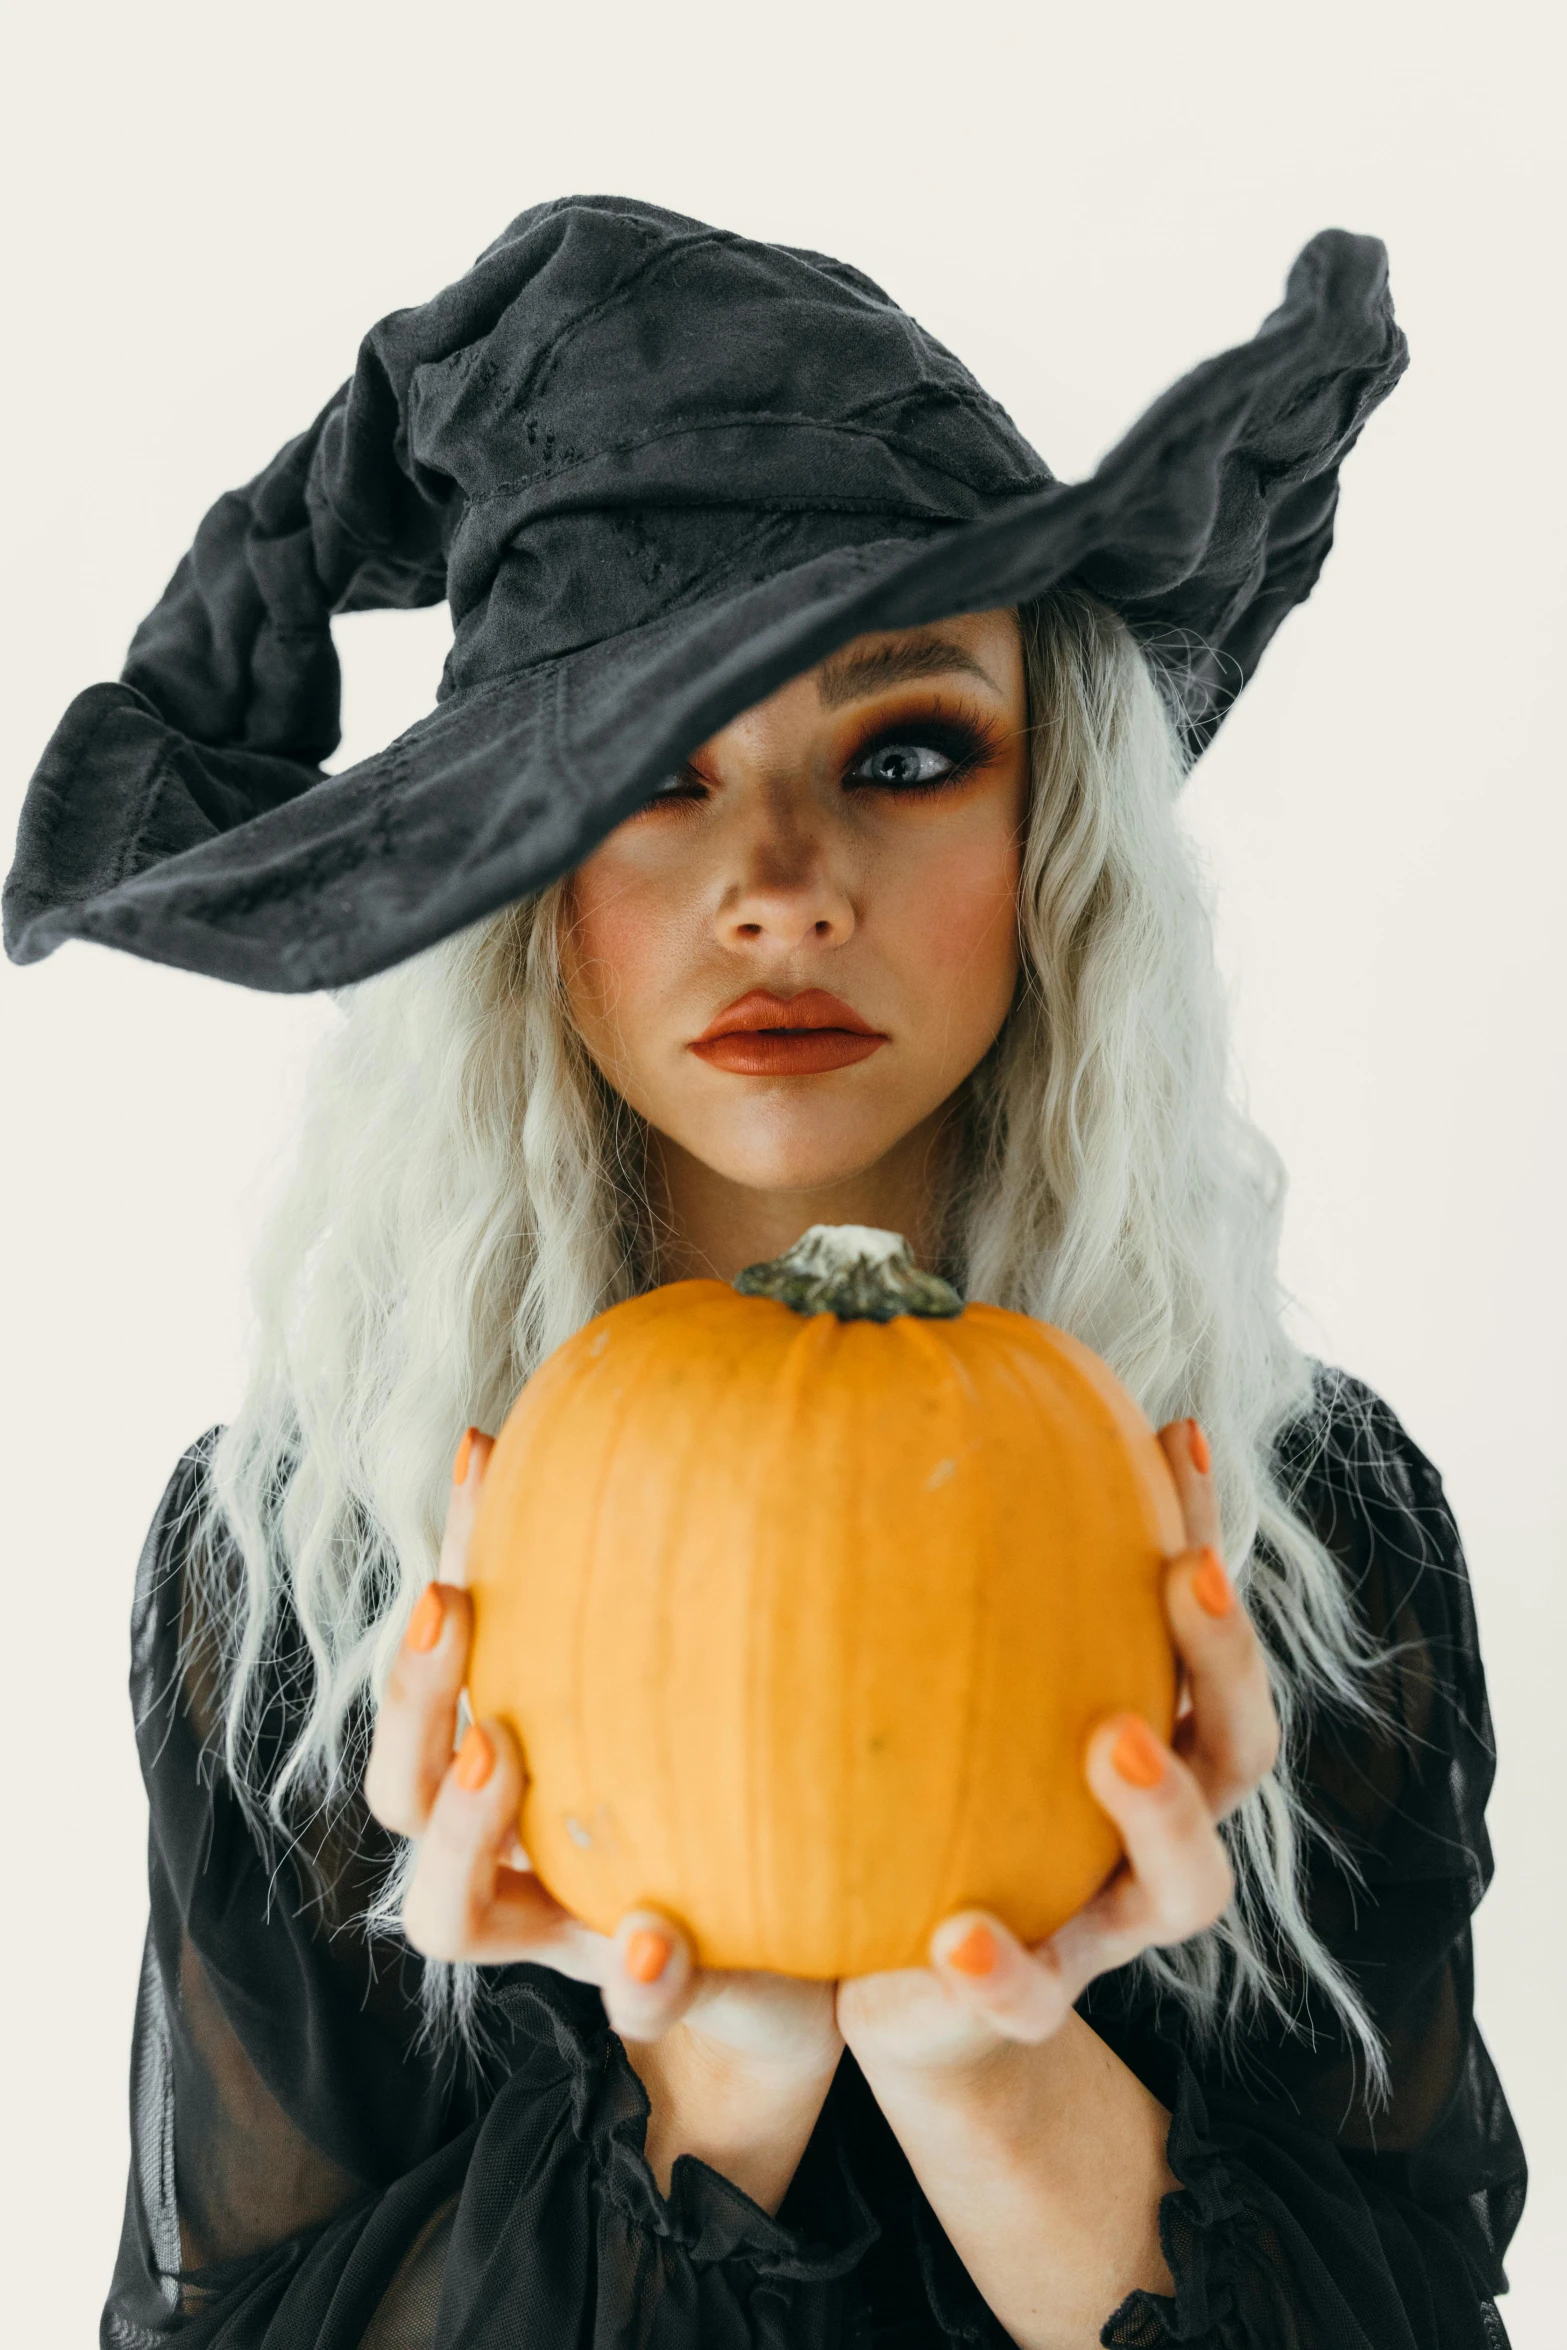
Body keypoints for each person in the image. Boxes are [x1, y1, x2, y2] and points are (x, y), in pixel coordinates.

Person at [6, 198, 1524, 2348]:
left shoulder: (1303, 1532)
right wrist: (703, 2076)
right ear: (523, 876)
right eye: (651, 768)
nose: (780, 890)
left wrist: (987, 2059)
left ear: (1050, 829)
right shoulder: (300, 1577)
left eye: (905, 751)